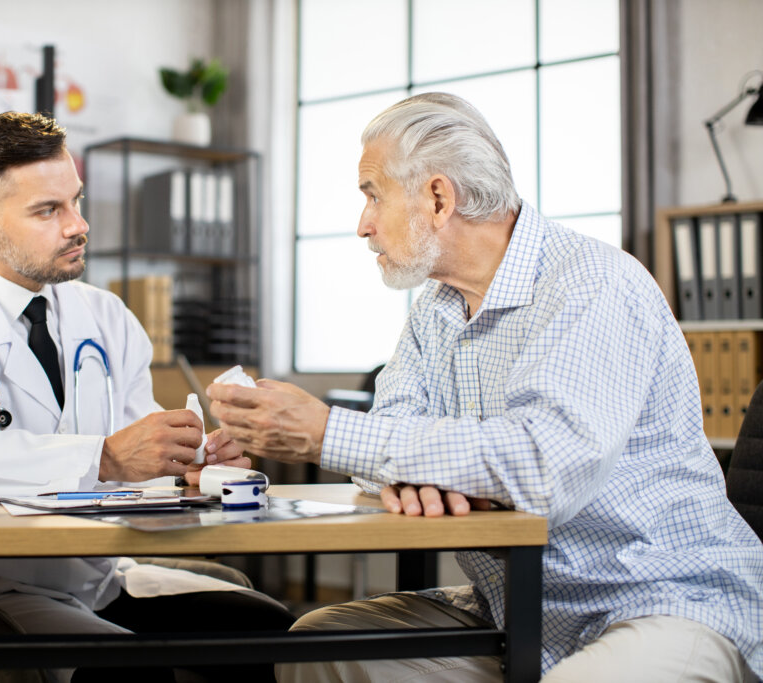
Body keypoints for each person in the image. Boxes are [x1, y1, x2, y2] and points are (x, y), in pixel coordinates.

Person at [207, 93, 763, 682]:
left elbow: (541, 469)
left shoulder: (593, 284)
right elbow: (385, 447)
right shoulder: (435, 309)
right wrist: (426, 467)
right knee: (322, 644)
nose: (363, 224)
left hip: (660, 600)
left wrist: (330, 434)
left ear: (439, 198)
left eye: (372, 194)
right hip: (523, 609)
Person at [0, 111, 293, 683]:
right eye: (49, 210)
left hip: (93, 575)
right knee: (130, 673)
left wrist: (190, 464)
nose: (79, 225)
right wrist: (104, 457)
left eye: (76, 201)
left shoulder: (105, 315)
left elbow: (141, 457)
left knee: (266, 629)